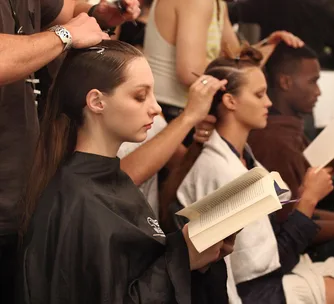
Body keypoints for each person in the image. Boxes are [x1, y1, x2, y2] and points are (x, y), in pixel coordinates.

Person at [18, 40, 236, 304]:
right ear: (97, 101)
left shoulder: (110, 179)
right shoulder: (77, 202)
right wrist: (182, 257)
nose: (155, 107)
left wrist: (198, 257)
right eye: (140, 96)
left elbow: (137, 269)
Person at [176, 46, 334, 303]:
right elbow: (265, 268)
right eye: (260, 95)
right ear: (230, 101)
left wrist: (311, 195)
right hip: (253, 292)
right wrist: (308, 200)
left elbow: (274, 238)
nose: (269, 103)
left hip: (270, 277)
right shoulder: (224, 171)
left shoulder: (245, 157)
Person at [0, 1, 140, 301]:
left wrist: (96, 12)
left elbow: (70, 9)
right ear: (95, 101)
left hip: (17, 197)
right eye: (141, 96)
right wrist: (64, 35)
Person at [248, 42, 334, 272]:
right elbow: (294, 221)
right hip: (296, 251)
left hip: (301, 231)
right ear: (285, 82)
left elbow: (304, 205)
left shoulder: (289, 131)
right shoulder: (276, 143)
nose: (319, 91)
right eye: (313, 81)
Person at [144, 0, 304, 124]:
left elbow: (237, 61)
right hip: (169, 113)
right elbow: (189, 72)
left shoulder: (217, 4)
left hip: (185, 111)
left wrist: (268, 45)